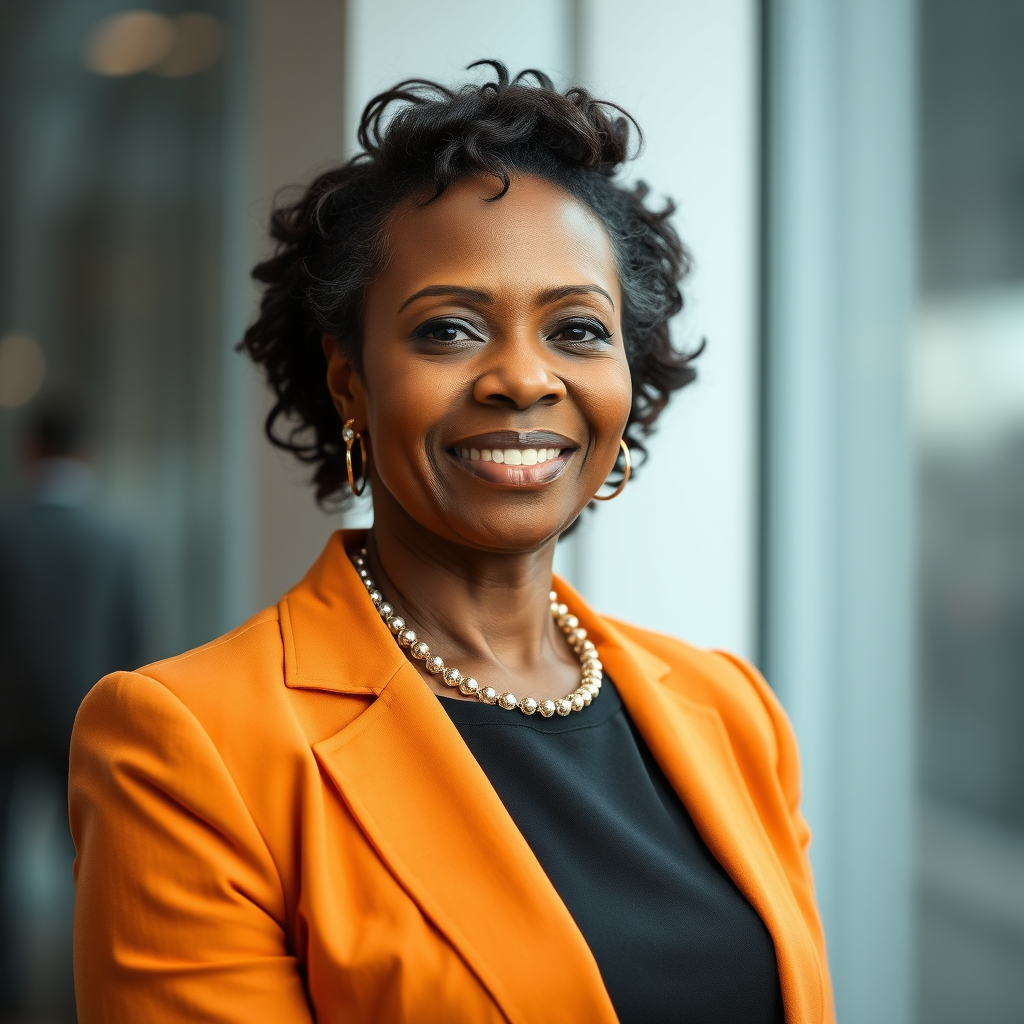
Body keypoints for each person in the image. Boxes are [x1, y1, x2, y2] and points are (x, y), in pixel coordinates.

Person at [69, 64, 834, 1023]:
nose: (524, 378)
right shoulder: (186, 744)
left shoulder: (734, 713)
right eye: (451, 330)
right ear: (349, 382)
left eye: (578, 330)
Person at [0, 399, 143, 1013]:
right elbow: (133, 642)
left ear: (30, 451)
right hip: (89, 721)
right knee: (88, 868)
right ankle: (82, 991)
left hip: (4, 725)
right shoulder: (117, 540)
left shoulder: (6, 533)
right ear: (84, 453)